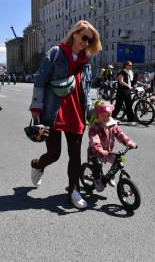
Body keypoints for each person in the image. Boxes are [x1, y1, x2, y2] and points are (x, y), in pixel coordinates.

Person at [29, 20, 102, 209]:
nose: (86, 42)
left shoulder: (86, 63)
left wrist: (92, 113)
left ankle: (73, 191)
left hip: (76, 112)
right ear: (75, 34)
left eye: (90, 40)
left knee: (75, 156)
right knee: (54, 154)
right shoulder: (55, 53)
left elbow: (86, 91)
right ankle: (38, 165)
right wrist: (36, 106)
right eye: (84, 37)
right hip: (54, 111)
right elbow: (41, 79)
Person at [88, 100, 137, 192]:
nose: (106, 118)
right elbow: (95, 140)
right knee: (98, 164)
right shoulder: (94, 127)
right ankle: (97, 180)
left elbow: (120, 134)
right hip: (96, 152)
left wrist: (129, 142)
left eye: (108, 115)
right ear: (98, 115)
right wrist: (100, 150)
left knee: (119, 159)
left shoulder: (112, 125)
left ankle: (110, 176)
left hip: (108, 151)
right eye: (103, 115)